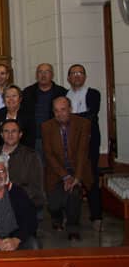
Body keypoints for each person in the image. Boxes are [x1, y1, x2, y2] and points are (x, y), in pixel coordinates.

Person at [42, 97, 91, 240]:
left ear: (70, 109)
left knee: (74, 194)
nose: (60, 114)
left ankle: (73, 228)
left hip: (77, 169)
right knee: (53, 204)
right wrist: (65, 176)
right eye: (56, 111)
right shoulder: (46, 126)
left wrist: (76, 178)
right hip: (55, 171)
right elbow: (49, 154)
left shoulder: (83, 124)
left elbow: (82, 152)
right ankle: (57, 218)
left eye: (63, 110)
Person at [66, 63, 102, 228]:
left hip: (89, 141)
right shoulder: (64, 95)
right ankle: (71, 216)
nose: (77, 76)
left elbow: (91, 115)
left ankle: (96, 216)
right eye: (73, 73)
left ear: (85, 77)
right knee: (70, 175)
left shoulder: (93, 93)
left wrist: (70, 118)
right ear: (68, 78)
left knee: (90, 176)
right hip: (69, 141)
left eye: (80, 73)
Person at [0, 119, 45, 211]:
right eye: (6, 131)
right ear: (1, 134)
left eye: (14, 131)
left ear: (20, 134)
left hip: (22, 204)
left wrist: (11, 197)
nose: (10, 135)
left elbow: (35, 188)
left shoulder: (31, 156)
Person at [21, 63, 68, 155]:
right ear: (36, 75)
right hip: (34, 139)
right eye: (40, 72)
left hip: (56, 137)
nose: (43, 75)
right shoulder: (27, 92)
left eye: (47, 72)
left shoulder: (61, 92)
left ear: (52, 75)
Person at [0, 85, 35, 149]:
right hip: (1, 151)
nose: (11, 99)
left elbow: (30, 140)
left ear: (20, 99)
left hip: (23, 152)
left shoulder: (28, 115)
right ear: (4, 100)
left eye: (14, 96)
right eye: (7, 96)